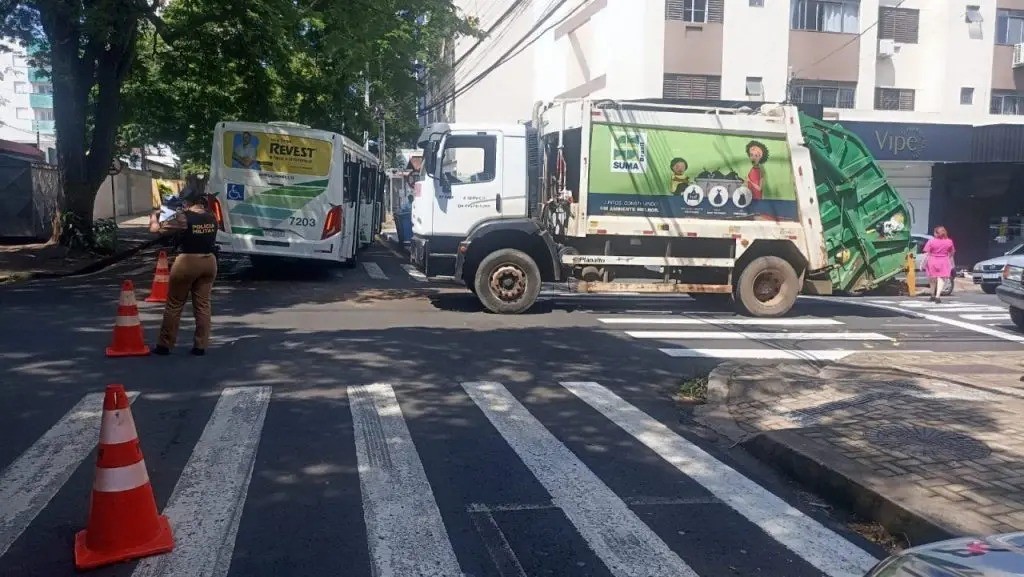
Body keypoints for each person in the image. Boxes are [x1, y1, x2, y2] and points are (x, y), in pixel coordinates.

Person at [148, 174, 219, 355]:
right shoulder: (211, 216)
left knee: (174, 304)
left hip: (188, 261)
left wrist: (154, 217)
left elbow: (157, 231)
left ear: (187, 201)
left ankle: (165, 345)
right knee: (203, 305)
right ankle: (200, 346)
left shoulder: (183, 217)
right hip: (209, 261)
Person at [923, 225, 955, 303]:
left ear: (936, 233)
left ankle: (932, 295)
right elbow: (952, 251)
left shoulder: (931, 241)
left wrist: (924, 262)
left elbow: (926, 251)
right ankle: (938, 296)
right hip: (944, 260)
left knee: (932, 278)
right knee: (941, 279)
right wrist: (948, 257)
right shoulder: (949, 241)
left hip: (932, 260)